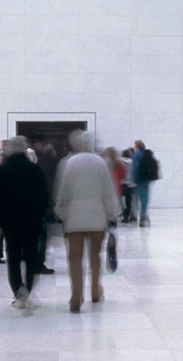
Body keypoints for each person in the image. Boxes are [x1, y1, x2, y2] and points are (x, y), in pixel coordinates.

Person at [52, 132, 119, 313]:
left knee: (74, 258)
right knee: (95, 256)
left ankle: (76, 296)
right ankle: (95, 290)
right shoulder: (101, 163)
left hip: (74, 219)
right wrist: (112, 214)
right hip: (97, 217)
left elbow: (63, 192)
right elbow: (108, 192)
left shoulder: (69, 163)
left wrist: (60, 212)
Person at [0, 136, 49, 310]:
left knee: (14, 257)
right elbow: (43, 196)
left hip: (10, 222)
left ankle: (18, 291)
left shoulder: (1, 171)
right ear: (25, 150)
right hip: (31, 221)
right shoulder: (34, 170)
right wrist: (40, 215)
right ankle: (28, 288)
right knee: (31, 255)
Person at [130, 140, 159, 226]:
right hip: (147, 179)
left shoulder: (136, 155)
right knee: (145, 199)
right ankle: (144, 215)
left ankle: (142, 216)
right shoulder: (148, 154)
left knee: (137, 198)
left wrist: (134, 179)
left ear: (137, 147)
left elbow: (135, 168)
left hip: (139, 180)